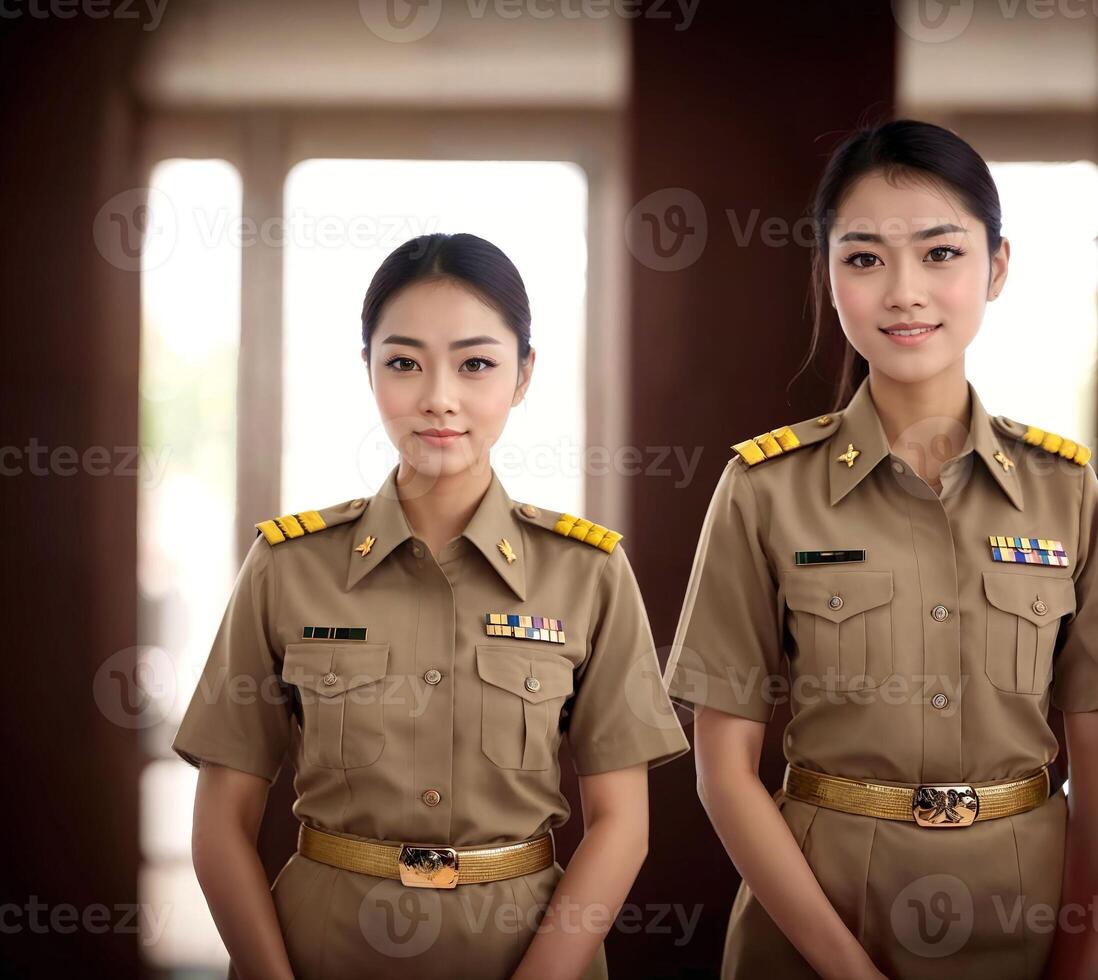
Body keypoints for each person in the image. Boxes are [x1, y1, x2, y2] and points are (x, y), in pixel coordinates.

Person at [172, 231, 690, 980]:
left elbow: (621, 825)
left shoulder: (589, 573)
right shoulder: (287, 567)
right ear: (369, 372)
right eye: (404, 363)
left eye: (476, 364)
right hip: (322, 950)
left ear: (522, 376)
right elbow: (221, 822)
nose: (438, 398)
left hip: (526, 952)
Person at [662, 119, 1098, 979]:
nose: (904, 291)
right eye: (864, 259)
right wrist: (847, 970)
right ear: (828, 278)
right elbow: (724, 773)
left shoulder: (1069, 491)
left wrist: (1078, 958)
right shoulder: (764, 489)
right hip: (817, 929)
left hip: (1029, 921)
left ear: (996, 268)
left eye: (941, 254)